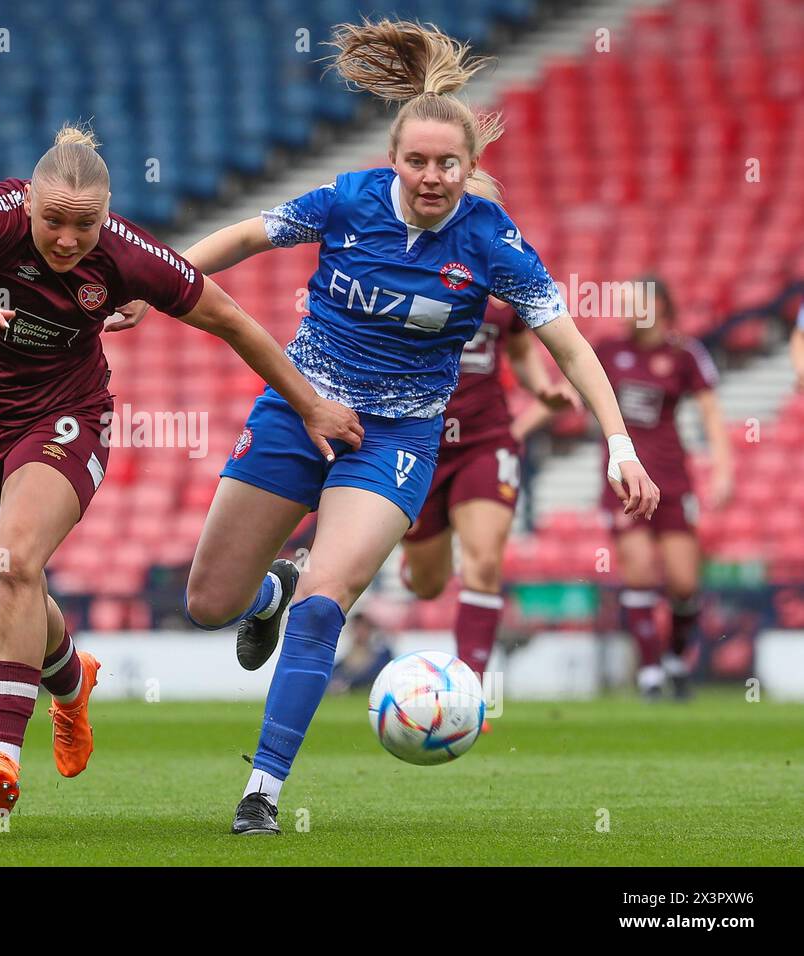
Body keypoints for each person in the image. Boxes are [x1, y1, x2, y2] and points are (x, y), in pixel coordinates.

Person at [121, 19, 660, 835]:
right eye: (418, 161)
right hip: (297, 412)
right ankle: (271, 589)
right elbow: (242, 235)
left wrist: (620, 444)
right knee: (207, 602)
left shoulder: (492, 242)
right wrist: (160, 284)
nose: (433, 176)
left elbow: (571, 345)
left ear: (469, 168)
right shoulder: (347, 201)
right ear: (394, 159)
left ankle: (262, 791)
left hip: (399, 441)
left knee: (324, 607)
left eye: (449, 164)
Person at [0, 123, 362, 816]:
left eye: (85, 224)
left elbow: (232, 320)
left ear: (105, 216)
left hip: (63, 417)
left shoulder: (126, 255)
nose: (69, 239)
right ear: (29, 209)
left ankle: (0, 761)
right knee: (6, 590)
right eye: (53, 222)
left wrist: (311, 405)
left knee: (13, 565)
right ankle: (72, 685)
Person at [400, 291, 579, 685]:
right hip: (418, 440)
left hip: (485, 442)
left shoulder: (503, 283)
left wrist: (541, 388)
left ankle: (468, 688)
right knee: (428, 585)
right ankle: (417, 556)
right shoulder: (412, 273)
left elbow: (519, 349)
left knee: (483, 563)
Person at [596, 277, 732, 699]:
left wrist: (723, 466)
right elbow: (576, 389)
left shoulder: (684, 354)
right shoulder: (607, 352)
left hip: (673, 480)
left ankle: (674, 657)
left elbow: (711, 412)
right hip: (622, 482)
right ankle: (651, 672)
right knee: (637, 571)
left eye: (632, 303)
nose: (624, 311)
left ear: (657, 306)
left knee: (684, 583)